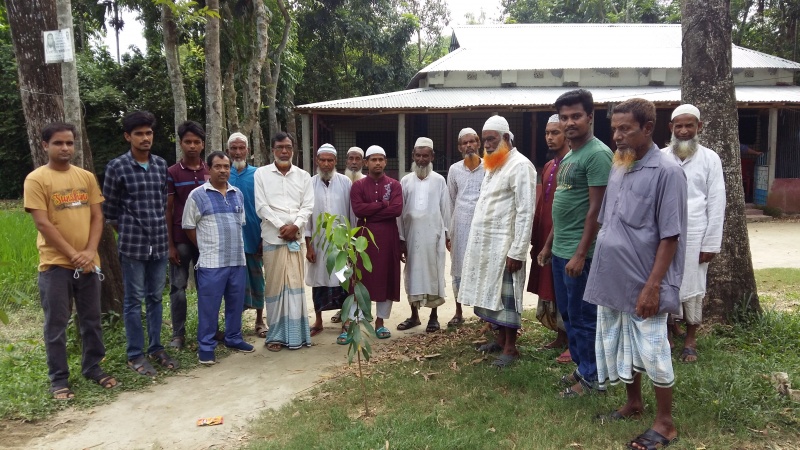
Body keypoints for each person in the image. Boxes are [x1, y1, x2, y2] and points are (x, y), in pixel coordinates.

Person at [584, 98, 686, 450]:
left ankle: (665, 423)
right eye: (614, 128)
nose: (617, 136)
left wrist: (653, 286)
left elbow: (670, 236)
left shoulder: (668, 172)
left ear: (647, 128)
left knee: (653, 348)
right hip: (612, 276)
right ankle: (633, 402)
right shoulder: (619, 165)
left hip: (645, 280)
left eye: (625, 128)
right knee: (620, 342)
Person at [24, 122, 117, 400]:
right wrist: (72, 254)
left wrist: (88, 252)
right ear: (45, 145)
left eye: (69, 143)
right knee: (57, 324)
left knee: (91, 320)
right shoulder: (37, 179)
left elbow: (97, 217)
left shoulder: (86, 177)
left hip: (89, 263)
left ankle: (92, 367)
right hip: (55, 265)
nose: (65, 148)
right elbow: (43, 223)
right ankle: (59, 379)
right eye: (58, 143)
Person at [539, 89, 612, 396]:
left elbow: (597, 210)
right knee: (569, 315)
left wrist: (580, 254)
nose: (569, 123)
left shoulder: (597, 155)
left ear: (590, 117)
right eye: (564, 117)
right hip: (560, 251)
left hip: (581, 255)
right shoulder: (570, 154)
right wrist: (547, 246)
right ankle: (582, 368)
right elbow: (564, 205)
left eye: (576, 116)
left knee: (584, 317)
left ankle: (593, 379)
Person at [103, 110, 178, 376]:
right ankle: (135, 354)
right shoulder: (117, 167)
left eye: (148, 133)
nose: (145, 138)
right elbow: (110, 212)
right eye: (139, 134)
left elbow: (161, 203)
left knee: (156, 297)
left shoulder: (159, 164)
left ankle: (156, 348)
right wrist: (129, 231)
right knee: (133, 300)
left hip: (158, 243)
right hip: (133, 246)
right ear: (128, 136)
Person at [459, 115, 536, 368]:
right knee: (492, 295)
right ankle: (500, 340)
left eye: (492, 139)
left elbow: (526, 210)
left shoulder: (520, 165)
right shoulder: (493, 164)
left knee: (507, 297)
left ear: (506, 138)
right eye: (485, 140)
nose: (487, 145)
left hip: (506, 245)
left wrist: (518, 250)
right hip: (487, 245)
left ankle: (511, 348)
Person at [662, 104, 725, 363]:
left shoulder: (710, 158)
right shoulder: (661, 156)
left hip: (697, 233)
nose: (684, 130)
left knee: (694, 285)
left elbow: (717, 201)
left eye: (690, 125)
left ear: (699, 127)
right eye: (679, 126)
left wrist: (710, 243)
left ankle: (690, 338)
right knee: (665, 282)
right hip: (665, 234)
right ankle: (666, 332)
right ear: (671, 128)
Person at [182, 152, 254, 364]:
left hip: (237, 261)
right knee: (209, 306)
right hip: (212, 263)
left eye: (226, 166)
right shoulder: (197, 195)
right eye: (218, 166)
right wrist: (205, 246)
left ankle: (233, 337)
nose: (223, 170)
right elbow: (188, 227)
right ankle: (206, 346)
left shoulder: (237, 194)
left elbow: (239, 224)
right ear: (209, 168)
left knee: (235, 303)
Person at [254, 132, 314, 351]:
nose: (284, 151)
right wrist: (282, 226)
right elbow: (261, 206)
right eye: (280, 147)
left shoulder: (303, 176)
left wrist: (296, 226)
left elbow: (307, 206)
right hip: (274, 237)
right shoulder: (261, 174)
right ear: (273, 149)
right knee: (275, 288)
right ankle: (276, 336)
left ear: (293, 149)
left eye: (288, 147)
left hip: (295, 239)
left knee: (296, 286)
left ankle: (298, 335)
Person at [397, 137, 451, 333]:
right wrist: (401, 239)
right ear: (413, 156)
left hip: (433, 236)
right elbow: (400, 213)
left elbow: (445, 210)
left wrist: (447, 235)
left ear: (432, 157)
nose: (421, 159)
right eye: (418, 155)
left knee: (433, 273)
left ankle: (434, 317)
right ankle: (414, 316)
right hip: (411, 237)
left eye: (425, 156)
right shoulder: (405, 181)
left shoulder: (439, 180)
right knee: (412, 274)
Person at [350, 145, 403, 340]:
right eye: (374, 160)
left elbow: (396, 210)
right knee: (360, 278)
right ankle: (358, 321)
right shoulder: (358, 186)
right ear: (366, 163)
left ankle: (380, 322)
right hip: (363, 239)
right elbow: (358, 210)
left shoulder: (394, 185)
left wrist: (371, 210)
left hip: (388, 238)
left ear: (386, 162)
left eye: (381, 159)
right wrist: (382, 205)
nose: (378, 163)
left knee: (386, 278)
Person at [527, 115, 570, 359]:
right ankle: (561, 336)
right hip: (545, 236)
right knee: (552, 286)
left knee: (567, 288)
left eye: (555, 132)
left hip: (565, 238)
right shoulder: (549, 166)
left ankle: (573, 341)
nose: (550, 137)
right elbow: (542, 205)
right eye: (547, 133)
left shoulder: (573, 164)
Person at [165, 120, 208, 349]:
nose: (192, 146)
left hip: (205, 240)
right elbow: (169, 208)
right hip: (181, 240)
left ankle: (208, 330)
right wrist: (170, 244)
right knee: (178, 287)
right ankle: (178, 334)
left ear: (202, 145)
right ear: (181, 143)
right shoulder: (172, 172)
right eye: (187, 141)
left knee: (207, 287)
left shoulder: (209, 170)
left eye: (196, 142)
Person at [304, 143, 354, 339]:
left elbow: (351, 215)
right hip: (318, 244)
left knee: (344, 281)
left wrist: (350, 245)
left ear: (336, 162)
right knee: (319, 282)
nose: (326, 164)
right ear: (317, 161)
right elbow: (307, 217)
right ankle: (318, 321)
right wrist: (308, 246)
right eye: (322, 160)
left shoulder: (345, 183)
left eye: (330, 160)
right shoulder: (309, 183)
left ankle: (346, 321)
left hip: (341, 244)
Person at [227, 132, 266, 338]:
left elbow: (266, 207)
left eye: (241, 148)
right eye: (234, 148)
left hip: (253, 236)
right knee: (233, 282)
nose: (238, 152)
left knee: (257, 279)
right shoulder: (223, 174)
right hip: (230, 240)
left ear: (248, 151)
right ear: (228, 151)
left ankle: (260, 321)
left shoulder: (258, 174)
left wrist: (263, 237)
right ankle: (235, 324)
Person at [446, 127, 484, 327]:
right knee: (458, 269)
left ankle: (484, 314)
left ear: (478, 143)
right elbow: (450, 201)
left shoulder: (489, 167)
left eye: (472, 141)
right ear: (460, 147)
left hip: (482, 229)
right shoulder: (454, 170)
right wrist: (449, 233)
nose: (469, 145)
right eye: (464, 143)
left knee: (482, 268)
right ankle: (458, 311)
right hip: (459, 227)